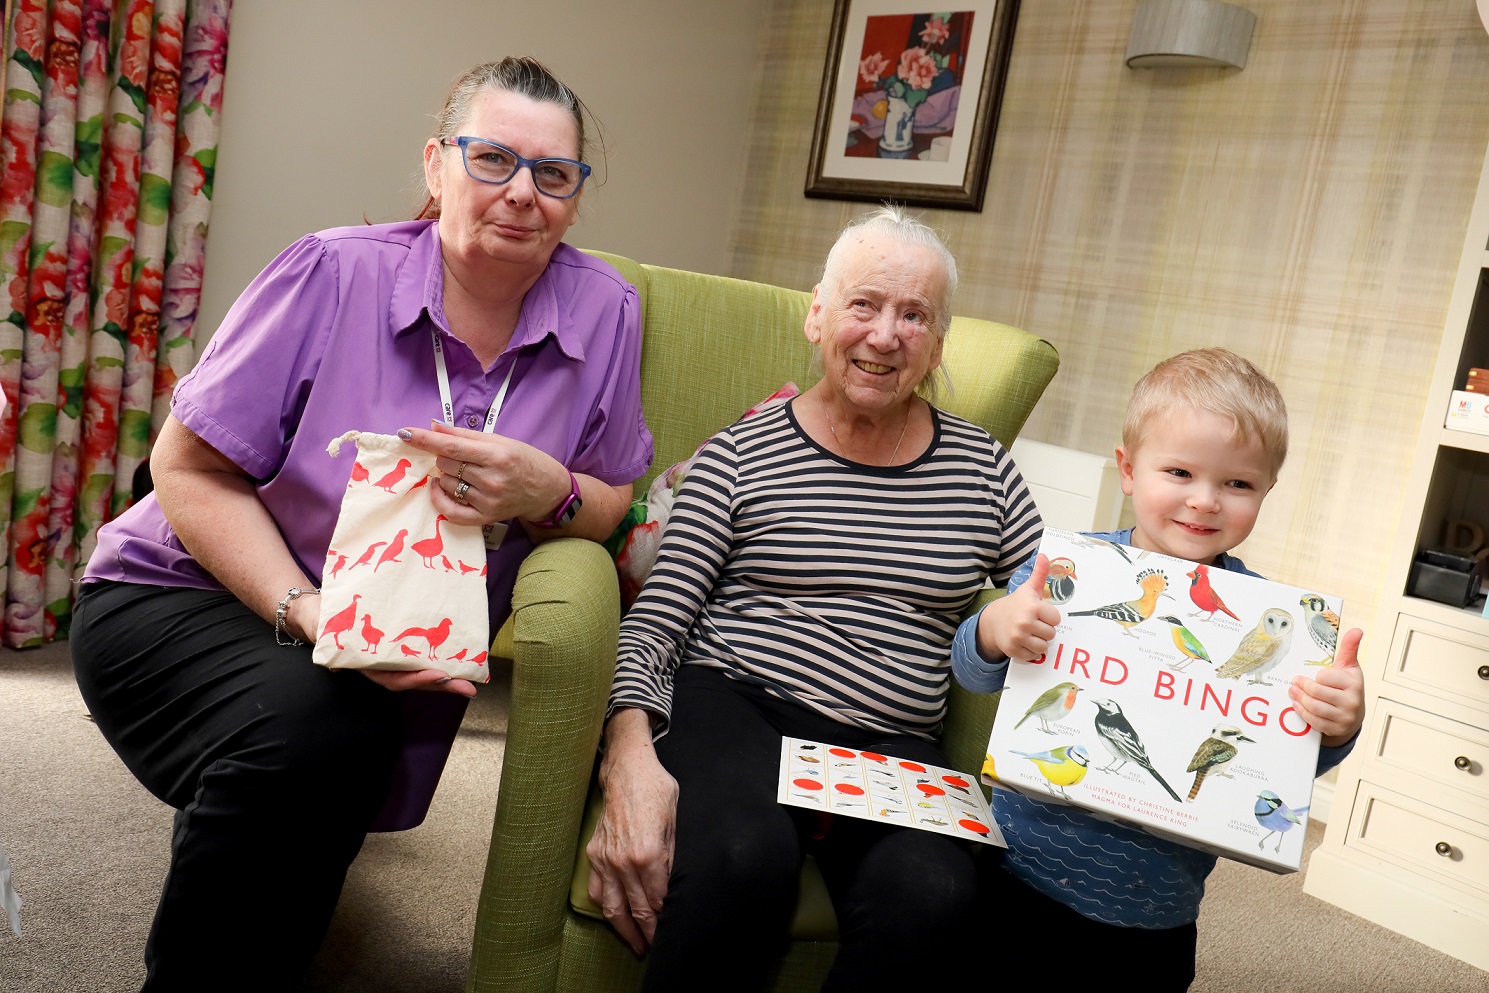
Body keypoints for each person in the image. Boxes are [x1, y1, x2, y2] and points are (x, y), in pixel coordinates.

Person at [70, 57, 651, 991]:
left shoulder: (605, 310)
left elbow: (615, 490)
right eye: (492, 158)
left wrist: (549, 489)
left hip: (388, 649)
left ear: (576, 196)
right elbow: (183, 466)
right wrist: (307, 611)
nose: (521, 194)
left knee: (317, 749)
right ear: (435, 164)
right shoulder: (331, 270)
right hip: (189, 587)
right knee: (318, 733)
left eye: (553, 174)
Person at [585, 205, 1043, 991]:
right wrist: (626, 755)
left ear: (936, 344)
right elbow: (656, 626)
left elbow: (1067, 594)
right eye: (862, 304)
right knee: (741, 856)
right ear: (818, 314)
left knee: (932, 892)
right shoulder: (739, 454)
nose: (884, 333)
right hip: (736, 701)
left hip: (893, 737)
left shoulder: (981, 469)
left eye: (914, 315)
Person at [953, 347, 1365, 991]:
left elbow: (1279, 759)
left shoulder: (1270, 622)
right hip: (1015, 875)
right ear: (1127, 469)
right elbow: (975, 675)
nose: (1204, 502)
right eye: (1179, 471)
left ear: (1266, 492)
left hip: (1156, 914)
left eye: (1238, 483)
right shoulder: (1063, 573)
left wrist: (1334, 727)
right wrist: (993, 630)